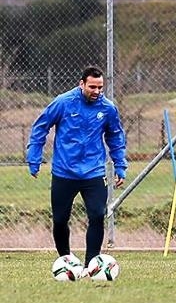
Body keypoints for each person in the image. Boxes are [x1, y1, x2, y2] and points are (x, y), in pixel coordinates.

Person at [26, 65, 127, 272]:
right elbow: (40, 127)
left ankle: (92, 264)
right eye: (92, 87)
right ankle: (66, 262)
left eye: (100, 87)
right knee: (60, 219)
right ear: (81, 84)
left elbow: (115, 137)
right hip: (64, 172)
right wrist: (34, 158)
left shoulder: (107, 108)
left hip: (94, 172)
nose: (97, 91)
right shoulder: (63, 102)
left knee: (98, 215)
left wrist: (120, 165)